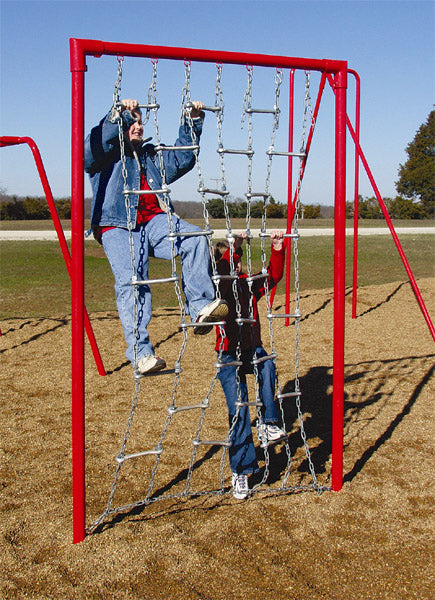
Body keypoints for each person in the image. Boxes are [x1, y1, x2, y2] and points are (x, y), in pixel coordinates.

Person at [84, 98, 228, 376]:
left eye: (139, 121)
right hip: (117, 224)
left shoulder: (151, 157)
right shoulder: (105, 155)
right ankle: (141, 354)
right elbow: (89, 150)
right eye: (132, 121)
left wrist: (192, 119)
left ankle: (199, 307)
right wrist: (119, 117)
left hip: (154, 223)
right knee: (133, 282)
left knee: (195, 237)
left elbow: (184, 157)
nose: (138, 125)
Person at [214, 231, 287, 499]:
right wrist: (235, 247)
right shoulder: (218, 286)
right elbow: (224, 269)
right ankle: (241, 471)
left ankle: (268, 423)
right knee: (239, 411)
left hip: (251, 349)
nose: (238, 265)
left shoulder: (246, 284)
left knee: (266, 363)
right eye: (232, 260)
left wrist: (277, 248)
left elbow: (273, 275)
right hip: (228, 354)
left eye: (239, 262)